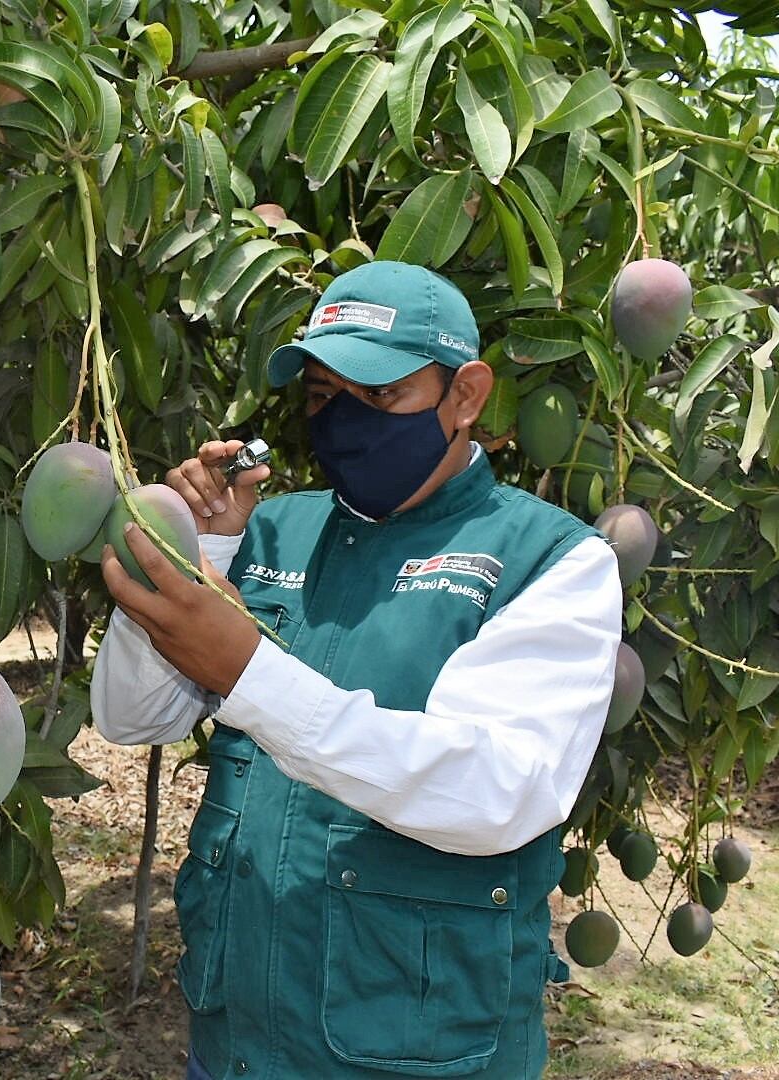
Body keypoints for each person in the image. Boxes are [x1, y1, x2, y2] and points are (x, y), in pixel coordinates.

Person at [91, 261, 623, 1080]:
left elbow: (498, 793)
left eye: (379, 394)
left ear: (466, 395)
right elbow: (132, 717)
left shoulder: (550, 560)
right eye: (322, 395)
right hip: (236, 1050)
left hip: (420, 1059)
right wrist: (205, 549)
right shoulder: (273, 533)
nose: (343, 420)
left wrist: (249, 674)